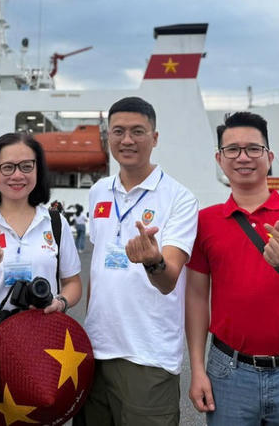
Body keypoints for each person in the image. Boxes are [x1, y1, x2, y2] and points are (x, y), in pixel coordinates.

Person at [185, 111, 279, 424]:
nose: (243, 157)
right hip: (229, 372)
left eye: (253, 148)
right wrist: (197, 369)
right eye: (232, 149)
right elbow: (196, 297)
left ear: (269, 157)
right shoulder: (205, 222)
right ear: (219, 159)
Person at [74, 97, 199, 426]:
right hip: (95, 350)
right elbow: (98, 269)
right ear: (108, 137)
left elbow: (169, 280)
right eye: (118, 131)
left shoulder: (179, 198)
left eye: (137, 131)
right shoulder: (99, 192)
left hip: (148, 354)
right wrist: (88, 331)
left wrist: (153, 261)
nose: (127, 140)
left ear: (154, 138)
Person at [0, 132, 83, 426]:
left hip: (42, 339)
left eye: (27, 166)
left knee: (40, 418)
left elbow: (73, 283)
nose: (17, 175)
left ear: (38, 170)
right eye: (8, 167)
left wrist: (61, 302)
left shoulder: (55, 223)